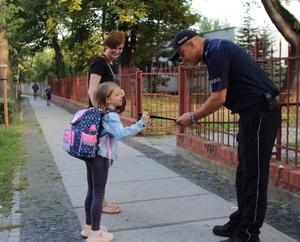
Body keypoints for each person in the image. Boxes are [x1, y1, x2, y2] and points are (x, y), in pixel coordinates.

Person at [170, 30, 281, 242]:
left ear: (192, 44)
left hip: (260, 115)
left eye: (181, 53)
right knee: (244, 174)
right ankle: (240, 220)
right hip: (252, 115)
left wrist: (192, 117)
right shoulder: (216, 49)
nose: (182, 60)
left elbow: (218, 98)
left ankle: (248, 234)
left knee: (253, 176)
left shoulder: (217, 51)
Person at [81, 82, 150, 242]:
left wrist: (118, 93)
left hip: (91, 155)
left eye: (121, 94)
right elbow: (121, 134)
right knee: (98, 194)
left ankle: (88, 227)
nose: (122, 96)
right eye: (118, 94)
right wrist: (141, 123)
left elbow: (119, 106)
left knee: (91, 192)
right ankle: (96, 234)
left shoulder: (100, 111)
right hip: (101, 157)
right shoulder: (111, 116)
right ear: (107, 100)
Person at [88, 31, 125, 214]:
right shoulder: (100, 62)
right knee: (100, 160)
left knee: (100, 160)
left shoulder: (111, 63)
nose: (117, 51)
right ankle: (99, 202)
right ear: (106, 45)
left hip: (106, 116)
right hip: (100, 119)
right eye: (113, 48)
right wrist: (101, 113)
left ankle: (99, 199)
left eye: (120, 48)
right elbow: (92, 90)